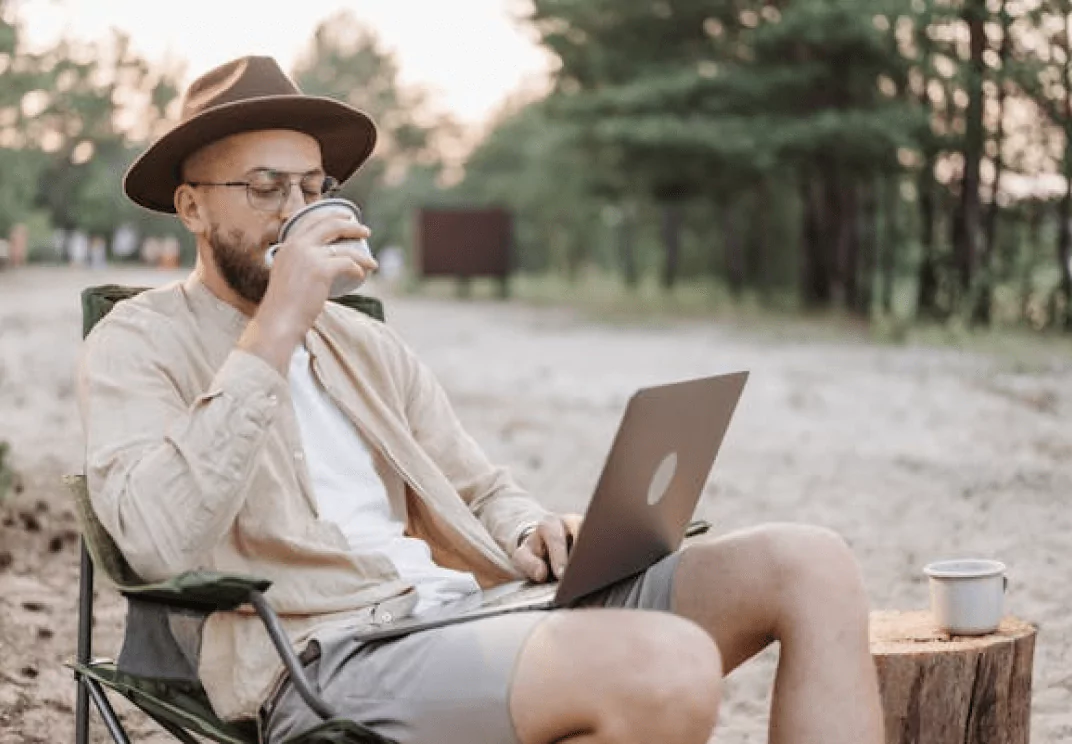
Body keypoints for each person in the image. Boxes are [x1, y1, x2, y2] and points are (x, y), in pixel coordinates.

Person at [78, 56, 883, 744]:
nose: (298, 211)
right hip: (328, 655)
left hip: (476, 611)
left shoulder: (364, 345)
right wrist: (277, 326)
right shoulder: (137, 342)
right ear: (191, 207)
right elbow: (155, 542)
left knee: (808, 563)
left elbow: (480, 487)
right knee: (667, 665)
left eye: (313, 187)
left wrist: (530, 530)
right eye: (264, 188)